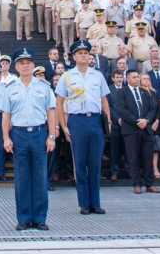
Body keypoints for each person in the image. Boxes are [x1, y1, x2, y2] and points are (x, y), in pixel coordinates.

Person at [2, 47, 57, 231]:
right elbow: (6, 116)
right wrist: (6, 138)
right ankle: (24, 218)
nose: (25, 66)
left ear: (33, 65)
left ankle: (40, 218)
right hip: (19, 135)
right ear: (16, 67)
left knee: (40, 177)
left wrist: (51, 136)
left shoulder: (44, 87)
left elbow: (51, 112)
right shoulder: (10, 88)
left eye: (28, 62)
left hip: (40, 134)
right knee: (22, 178)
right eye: (21, 63)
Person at [55, 39, 109, 214]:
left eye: (86, 53)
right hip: (77, 121)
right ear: (74, 56)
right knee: (80, 163)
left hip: (95, 120)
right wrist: (64, 127)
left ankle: (96, 203)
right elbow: (59, 102)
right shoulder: (67, 76)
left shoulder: (98, 75)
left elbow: (104, 100)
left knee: (95, 163)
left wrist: (108, 121)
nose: (84, 56)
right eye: (80, 53)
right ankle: (84, 203)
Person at [116, 70, 160, 194]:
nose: (137, 79)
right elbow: (122, 110)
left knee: (148, 157)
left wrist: (146, 120)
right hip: (131, 130)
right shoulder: (122, 92)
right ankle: (136, 184)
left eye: (138, 77)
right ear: (128, 78)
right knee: (133, 158)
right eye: (134, 77)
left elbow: (153, 108)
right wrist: (137, 121)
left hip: (146, 129)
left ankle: (149, 184)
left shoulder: (145, 92)